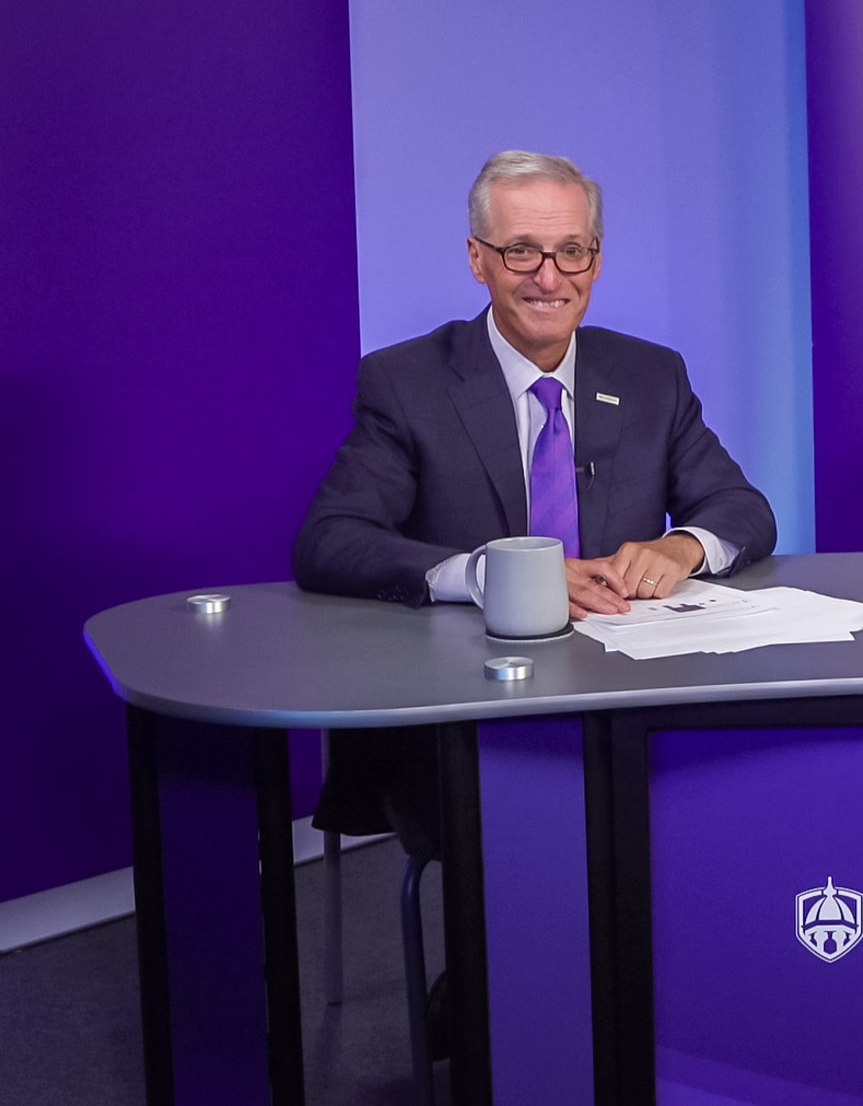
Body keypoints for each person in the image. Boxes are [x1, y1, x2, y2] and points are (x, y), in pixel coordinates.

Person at [295, 150, 776, 836]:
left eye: (571, 251)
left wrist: (682, 546)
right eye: (522, 251)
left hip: (629, 709)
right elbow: (330, 538)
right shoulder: (406, 382)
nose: (550, 277)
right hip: (468, 721)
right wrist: (494, 574)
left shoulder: (650, 375)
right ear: (477, 258)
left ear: (596, 259)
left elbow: (744, 509)